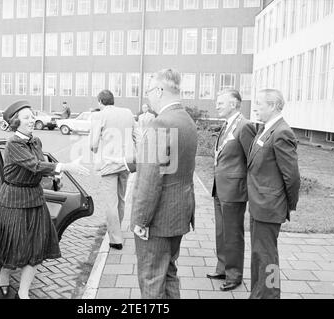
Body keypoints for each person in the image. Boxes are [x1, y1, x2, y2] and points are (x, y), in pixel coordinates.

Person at [107, 69, 198, 298]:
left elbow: (150, 180)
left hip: (157, 219)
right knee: (168, 273)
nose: (147, 96)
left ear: (159, 91)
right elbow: (167, 161)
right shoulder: (185, 120)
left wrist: (141, 220)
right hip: (178, 213)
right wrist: (124, 163)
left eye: (148, 91)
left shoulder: (161, 124)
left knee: (151, 280)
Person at [0, 100, 89, 299]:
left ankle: (24, 293)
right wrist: (65, 166)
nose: (32, 119)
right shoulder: (13, 144)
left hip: (35, 199)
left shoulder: (35, 141)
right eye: (27, 117)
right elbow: (34, 165)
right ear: (16, 122)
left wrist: (54, 175)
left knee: (35, 248)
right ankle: (4, 277)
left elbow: (41, 166)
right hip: (13, 201)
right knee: (13, 247)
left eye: (32, 115)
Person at [248, 89, 300, 299]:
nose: (255, 107)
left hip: (269, 206)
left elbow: (292, 176)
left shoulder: (282, 132)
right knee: (259, 256)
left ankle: (269, 296)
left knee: (267, 257)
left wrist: (288, 205)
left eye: (259, 103)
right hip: (259, 204)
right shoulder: (266, 129)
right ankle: (259, 293)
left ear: (272, 105)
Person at [207, 90, 256, 291]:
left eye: (221, 103)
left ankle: (234, 275)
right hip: (220, 187)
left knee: (233, 234)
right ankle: (223, 267)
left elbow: (253, 160)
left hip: (234, 190)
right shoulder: (228, 125)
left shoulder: (244, 126)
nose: (216, 106)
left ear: (234, 104)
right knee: (221, 231)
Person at [89, 90, 139, 250]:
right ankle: (118, 230)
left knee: (111, 202)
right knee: (121, 199)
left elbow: (94, 143)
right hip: (126, 163)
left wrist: (95, 149)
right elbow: (137, 135)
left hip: (109, 163)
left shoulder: (99, 115)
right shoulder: (128, 113)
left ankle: (116, 238)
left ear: (100, 101)